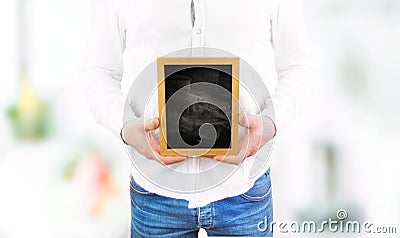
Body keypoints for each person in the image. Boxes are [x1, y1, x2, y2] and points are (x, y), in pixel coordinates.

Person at [80, 0, 312, 237]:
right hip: (155, 194)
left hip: (245, 190)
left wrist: (270, 124)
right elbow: (99, 71)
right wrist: (125, 126)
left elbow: (297, 67)